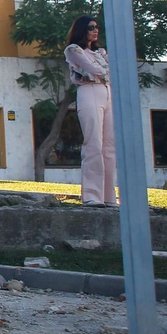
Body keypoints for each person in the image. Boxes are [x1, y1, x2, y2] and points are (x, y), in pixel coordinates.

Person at [63, 14, 116, 207]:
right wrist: (105, 70)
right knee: (94, 142)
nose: (95, 30)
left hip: (107, 92)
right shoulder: (74, 49)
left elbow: (110, 68)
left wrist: (105, 69)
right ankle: (92, 195)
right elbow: (97, 70)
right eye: (91, 27)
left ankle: (109, 195)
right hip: (89, 91)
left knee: (109, 146)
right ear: (82, 29)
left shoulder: (100, 51)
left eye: (97, 27)